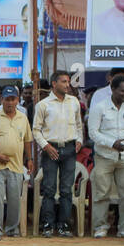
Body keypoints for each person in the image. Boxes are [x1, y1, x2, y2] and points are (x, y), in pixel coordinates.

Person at [88, 75, 124, 238]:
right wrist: (112, 143)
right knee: (101, 193)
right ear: (112, 89)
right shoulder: (99, 107)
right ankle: (100, 227)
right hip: (104, 156)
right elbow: (93, 133)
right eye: (122, 91)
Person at [33, 70, 83, 237]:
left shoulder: (74, 102)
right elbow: (36, 130)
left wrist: (79, 140)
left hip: (69, 148)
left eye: (68, 82)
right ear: (54, 84)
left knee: (67, 190)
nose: (67, 85)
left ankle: (63, 225)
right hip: (50, 149)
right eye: (63, 81)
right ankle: (47, 224)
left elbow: (78, 125)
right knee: (48, 189)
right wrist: (45, 146)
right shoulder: (43, 105)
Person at [0, 86, 33, 239]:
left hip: (16, 164)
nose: (10, 103)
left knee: (14, 199)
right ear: (2, 100)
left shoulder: (23, 117)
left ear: (18, 100)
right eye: (7, 99)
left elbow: (27, 140)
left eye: (13, 99)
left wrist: (29, 159)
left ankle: (12, 229)